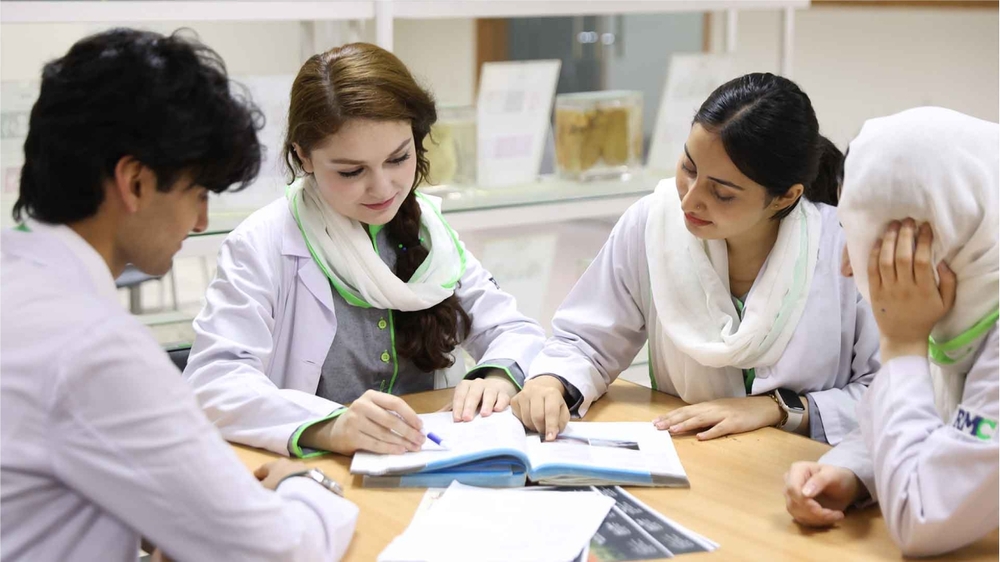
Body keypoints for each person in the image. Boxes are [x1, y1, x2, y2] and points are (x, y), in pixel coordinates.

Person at [1, 29, 358, 561]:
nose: (202, 220)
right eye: (198, 191)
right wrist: (304, 486)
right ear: (137, 183)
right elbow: (277, 550)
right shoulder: (92, 348)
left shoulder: (22, 286)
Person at [182, 42, 546, 458]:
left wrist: (496, 376)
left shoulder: (431, 234)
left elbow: (513, 331)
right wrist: (330, 427)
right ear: (305, 157)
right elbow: (214, 381)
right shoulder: (263, 244)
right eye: (352, 171)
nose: (383, 188)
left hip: (428, 457)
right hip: (321, 469)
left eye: (398, 159)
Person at [512, 73, 880, 442]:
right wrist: (551, 381)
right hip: (691, 457)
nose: (689, 200)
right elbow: (586, 340)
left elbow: (885, 393)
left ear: (786, 196)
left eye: (722, 193)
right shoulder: (654, 222)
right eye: (689, 169)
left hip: (803, 472)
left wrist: (778, 408)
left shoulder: (847, 249)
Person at [783, 107, 998, 557]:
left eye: (866, 243)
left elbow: (922, 519)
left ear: (939, 237)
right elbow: (942, 427)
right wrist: (853, 470)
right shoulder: (976, 308)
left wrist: (902, 347)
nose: (847, 267)